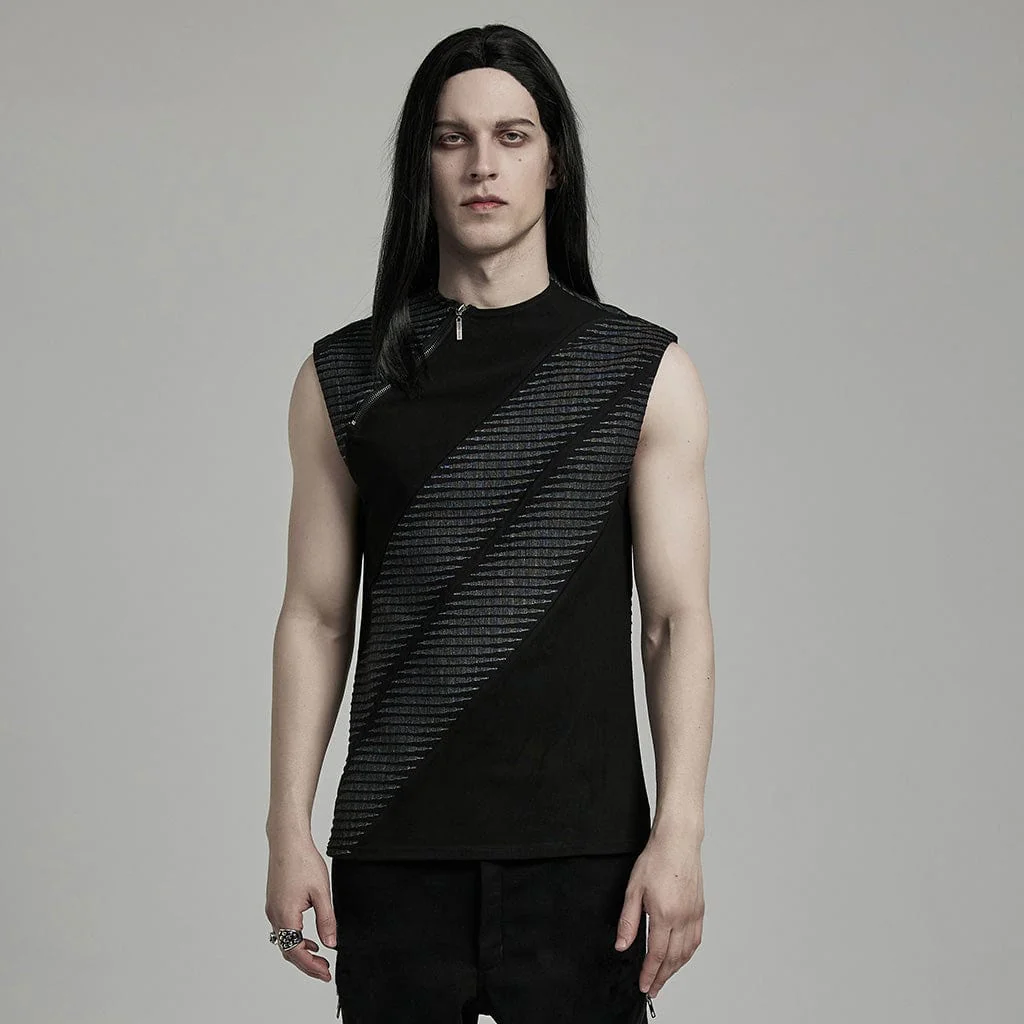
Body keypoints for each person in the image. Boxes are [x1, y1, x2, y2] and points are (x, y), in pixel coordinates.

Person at [265, 23, 714, 1024]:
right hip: (394, 853)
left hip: (587, 861)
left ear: (554, 161)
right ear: (420, 165)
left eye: (512, 135)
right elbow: (315, 617)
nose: (482, 164)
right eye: (451, 138)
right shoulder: (344, 377)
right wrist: (286, 828)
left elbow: (672, 622)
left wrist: (679, 834)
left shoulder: (641, 372)